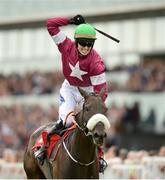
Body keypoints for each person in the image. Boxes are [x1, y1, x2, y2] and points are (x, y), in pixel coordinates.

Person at [34, 15, 108, 173]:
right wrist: (70, 20)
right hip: (69, 88)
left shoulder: (96, 63)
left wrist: (94, 110)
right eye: (82, 43)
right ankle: (43, 145)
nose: (86, 47)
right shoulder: (65, 45)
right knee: (67, 122)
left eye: (90, 44)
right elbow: (50, 25)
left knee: (90, 125)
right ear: (75, 41)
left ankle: (99, 156)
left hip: (88, 93)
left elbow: (101, 94)